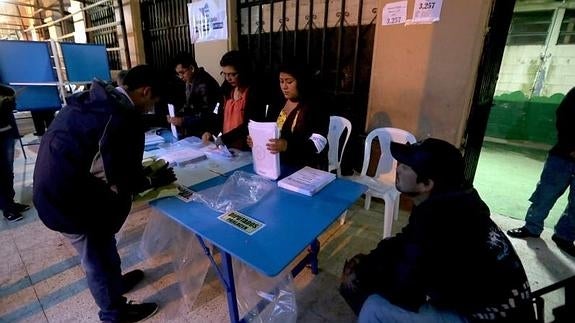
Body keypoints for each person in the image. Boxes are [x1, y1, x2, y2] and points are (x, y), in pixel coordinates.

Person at [33, 65, 177, 323]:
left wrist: (137, 173)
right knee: (97, 257)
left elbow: (99, 158)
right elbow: (115, 178)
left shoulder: (100, 100)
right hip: (69, 201)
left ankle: (115, 283)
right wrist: (150, 179)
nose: (151, 107)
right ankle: (114, 314)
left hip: (60, 188)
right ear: (145, 91)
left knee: (104, 248)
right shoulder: (117, 117)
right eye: (153, 101)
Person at [339, 138, 532, 322]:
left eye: (406, 167)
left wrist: (361, 275)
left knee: (372, 305)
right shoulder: (452, 200)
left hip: (483, 318)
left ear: (427, 184)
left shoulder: (443, 226)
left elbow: (406, 292)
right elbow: (406, 240)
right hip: (491, 307)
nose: (398, 169)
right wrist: (369, 261)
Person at [507, 87, 575, 256]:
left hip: (564, 154)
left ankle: (564, 236)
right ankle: (532, 227)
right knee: (545, 193)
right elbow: (564, 117)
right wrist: (570, 146)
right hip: (563, 154)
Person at [247, 59, 329, 170]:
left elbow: (317, 145)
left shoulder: (316, 106)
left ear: (302, 81)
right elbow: (269, 129)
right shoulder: (278, 103)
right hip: (279, 164)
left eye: (289, 82)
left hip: (307, 167)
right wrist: (258, 140)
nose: (284, 87)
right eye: (281, 81)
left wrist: (286, 145)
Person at [202, 50, 269, 150]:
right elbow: (218, 115)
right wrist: (210, 131)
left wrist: (225, 138)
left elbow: (250, 124)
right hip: (228, 148)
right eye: (225, 74)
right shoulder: (226, 89)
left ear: (244, 72)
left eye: (233, 74)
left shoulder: (255, 93)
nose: (228, 78)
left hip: (247, 149)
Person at [168, 53, 222, 138]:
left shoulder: (205, 84)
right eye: (178, 74)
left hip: (207, 131)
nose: (180, 77)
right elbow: (188, 107)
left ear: (192, 68)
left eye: (182, 73)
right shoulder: (190, 81)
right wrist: (175, 116)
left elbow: (207, 114)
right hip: (196, 129)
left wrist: (183, 120)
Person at [0, 84, 30, 222]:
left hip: (6, 132)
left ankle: (10, 203)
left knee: (8, 172)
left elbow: (10, 95)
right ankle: (7, 208)